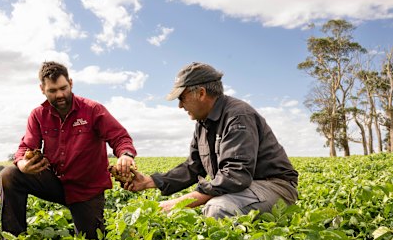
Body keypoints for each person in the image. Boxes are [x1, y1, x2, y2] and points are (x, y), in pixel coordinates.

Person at [125, 62, 298, 219]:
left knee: (218, 208)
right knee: (199, 210)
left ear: (201, 93)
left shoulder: (238, 116)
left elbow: (235, 175)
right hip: (244, 188)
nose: (180, 106)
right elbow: (193, 167)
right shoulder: (203, 123)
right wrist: (148, 181)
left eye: (182, 98)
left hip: (274, 186)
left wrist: (179, 202)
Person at [0, 61, 137, 239]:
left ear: (71, 83)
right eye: (53, 91)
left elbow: (120, 137)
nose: (60, 95)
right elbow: (26, 146)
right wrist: (23, 163)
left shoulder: (92, 110)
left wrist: (125, 155)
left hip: (86, 189)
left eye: (63, 88)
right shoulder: (38, 115)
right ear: (42, 89)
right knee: (10, 175)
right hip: (55, 182)